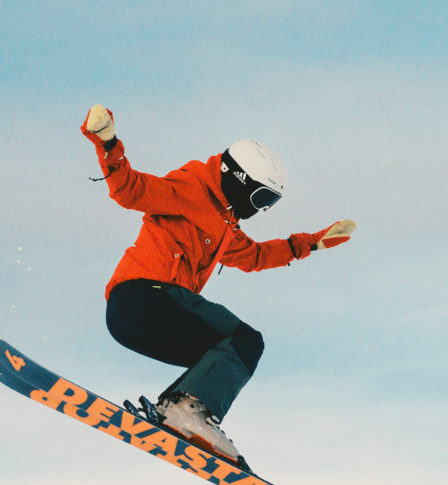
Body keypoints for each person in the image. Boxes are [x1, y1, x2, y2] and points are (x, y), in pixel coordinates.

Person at [81, 104, 355, 464]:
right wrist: (107, 142)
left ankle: (176, 412)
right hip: (143, 295)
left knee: (222, 355)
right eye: (261, 198)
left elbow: (254, 256)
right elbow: (130, 190)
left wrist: (311, 244)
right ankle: (188, 413)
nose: (260, 209)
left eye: (269, 203)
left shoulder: (224, 225)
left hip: (131, 320)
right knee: (245, 340)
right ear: (240, 180)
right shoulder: (191, 188)